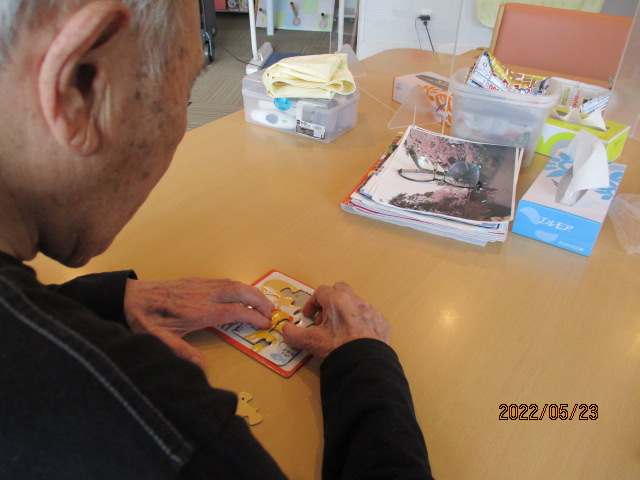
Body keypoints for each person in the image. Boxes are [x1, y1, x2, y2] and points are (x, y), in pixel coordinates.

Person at [0, 1, 433, 478]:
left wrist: (102, 301)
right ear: (78, 86)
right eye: (186, 93)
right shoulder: (162, 427)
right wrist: (366, 367)